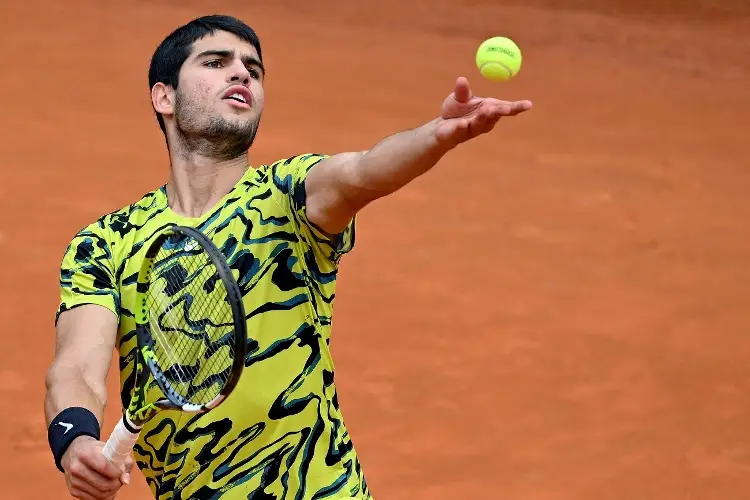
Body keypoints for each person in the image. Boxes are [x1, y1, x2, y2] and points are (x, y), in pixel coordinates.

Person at [43, 14, 532, 500]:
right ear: (164, 96)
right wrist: (76, 441)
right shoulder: (106, 243)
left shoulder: (287, 195)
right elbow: (76, 367)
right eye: (216, 62)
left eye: (253, 70)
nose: (241, 74)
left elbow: (362, 172)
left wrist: (434, 136)